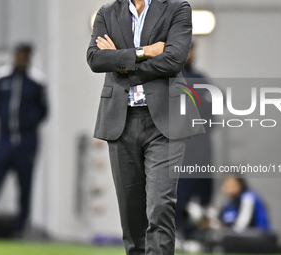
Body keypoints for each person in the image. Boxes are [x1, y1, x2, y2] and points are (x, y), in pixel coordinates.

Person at [87, 0, 204, 254]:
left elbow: (174, 60)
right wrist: (144, 52)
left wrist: (120, 64)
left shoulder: (177, 8)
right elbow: (95, 59)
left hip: (165, 122)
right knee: (131, 214)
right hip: (120, 120)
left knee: (160, 205)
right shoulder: (107, 13)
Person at [0, 43, 48, 237]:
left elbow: (43, 111)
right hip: (4, 140)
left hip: (26, 143)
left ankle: (19, 229)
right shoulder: (0, 78)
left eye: (25, 56)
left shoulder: (37, 81)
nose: (21, 59)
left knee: (25, 187)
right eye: (19, 55)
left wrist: (27, 125)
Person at [176, 42, 214, 240]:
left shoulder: (200, 79)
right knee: (178, 196)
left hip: (201, 151)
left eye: (192, 50)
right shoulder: (170, 78)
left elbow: (216, 103)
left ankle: (199, 236)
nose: (190, 54)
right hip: (179, 152)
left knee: (204, 195)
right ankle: (178, 234)